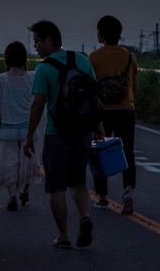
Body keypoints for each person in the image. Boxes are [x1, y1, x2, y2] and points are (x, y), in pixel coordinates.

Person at [24, 20, 104, 249]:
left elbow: (38, 105)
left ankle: (64, 236)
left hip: (57, 133)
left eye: (38, 41)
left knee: (56, 186)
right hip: (84, 132)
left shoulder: (44, 68)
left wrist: (29, 136)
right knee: (78, 181)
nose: (36, 47)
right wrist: (98, 126)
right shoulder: (82, 60)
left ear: (49, 40)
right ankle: (85, 216)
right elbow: (94, 97)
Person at [0, 41, 43, 211]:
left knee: (9, 165)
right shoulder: (32, 76)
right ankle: (25, 190)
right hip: (29, 130)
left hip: (7, 130)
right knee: (28, 164)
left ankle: (12, 196)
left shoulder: (2, 79)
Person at [89, 15, 138, 215]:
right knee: (127, 152)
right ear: (120, 35)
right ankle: (128, 192)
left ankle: (102, 197)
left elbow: (90, 89)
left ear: (100, 35)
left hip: (102, 111)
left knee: (100, 151)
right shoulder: (129, 56)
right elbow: (133, 87)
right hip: (126, 110)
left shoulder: (93, 57)